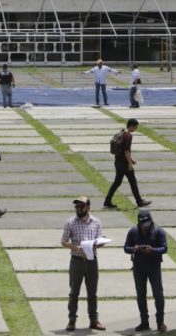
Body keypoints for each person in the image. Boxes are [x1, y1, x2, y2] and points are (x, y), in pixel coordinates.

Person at [61, 196, 107, 331]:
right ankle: (71, 320)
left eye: (81, 206)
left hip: (92, 261)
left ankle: (94, 320)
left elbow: (102, 238)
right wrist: (76, 248)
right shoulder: (70, 222)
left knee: (92, 293)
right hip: (76, 261)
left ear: (88, 207)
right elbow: (63, 242)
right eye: (77, 207)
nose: (79, 209)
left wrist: (96, 245)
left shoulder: (96, 222)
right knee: (74, 292)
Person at [124, 210, 168, 332]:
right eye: (143, 225)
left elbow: (165, 248)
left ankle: (160, 323)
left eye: (148, 224)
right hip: (138, 269)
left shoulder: (159, 231)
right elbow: (126, 248)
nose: (146, 227)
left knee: (158, 295)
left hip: (154, 268)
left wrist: (153, 250)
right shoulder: (133, 231)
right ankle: (144, 322)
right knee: (141, 296)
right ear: (139, 223)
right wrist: (135, 248)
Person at [104, 118, 151, 209]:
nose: (136, 129)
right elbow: (126, 151)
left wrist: (131, 160)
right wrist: (130, 163)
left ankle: (107, 201)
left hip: (117, 162)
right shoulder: (128, 136)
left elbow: (122, 150)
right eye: (136, 127)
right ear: (132, 126)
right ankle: (139, 202)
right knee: (133, 182)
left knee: (117, 182)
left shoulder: (121, 133)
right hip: (124, 163)